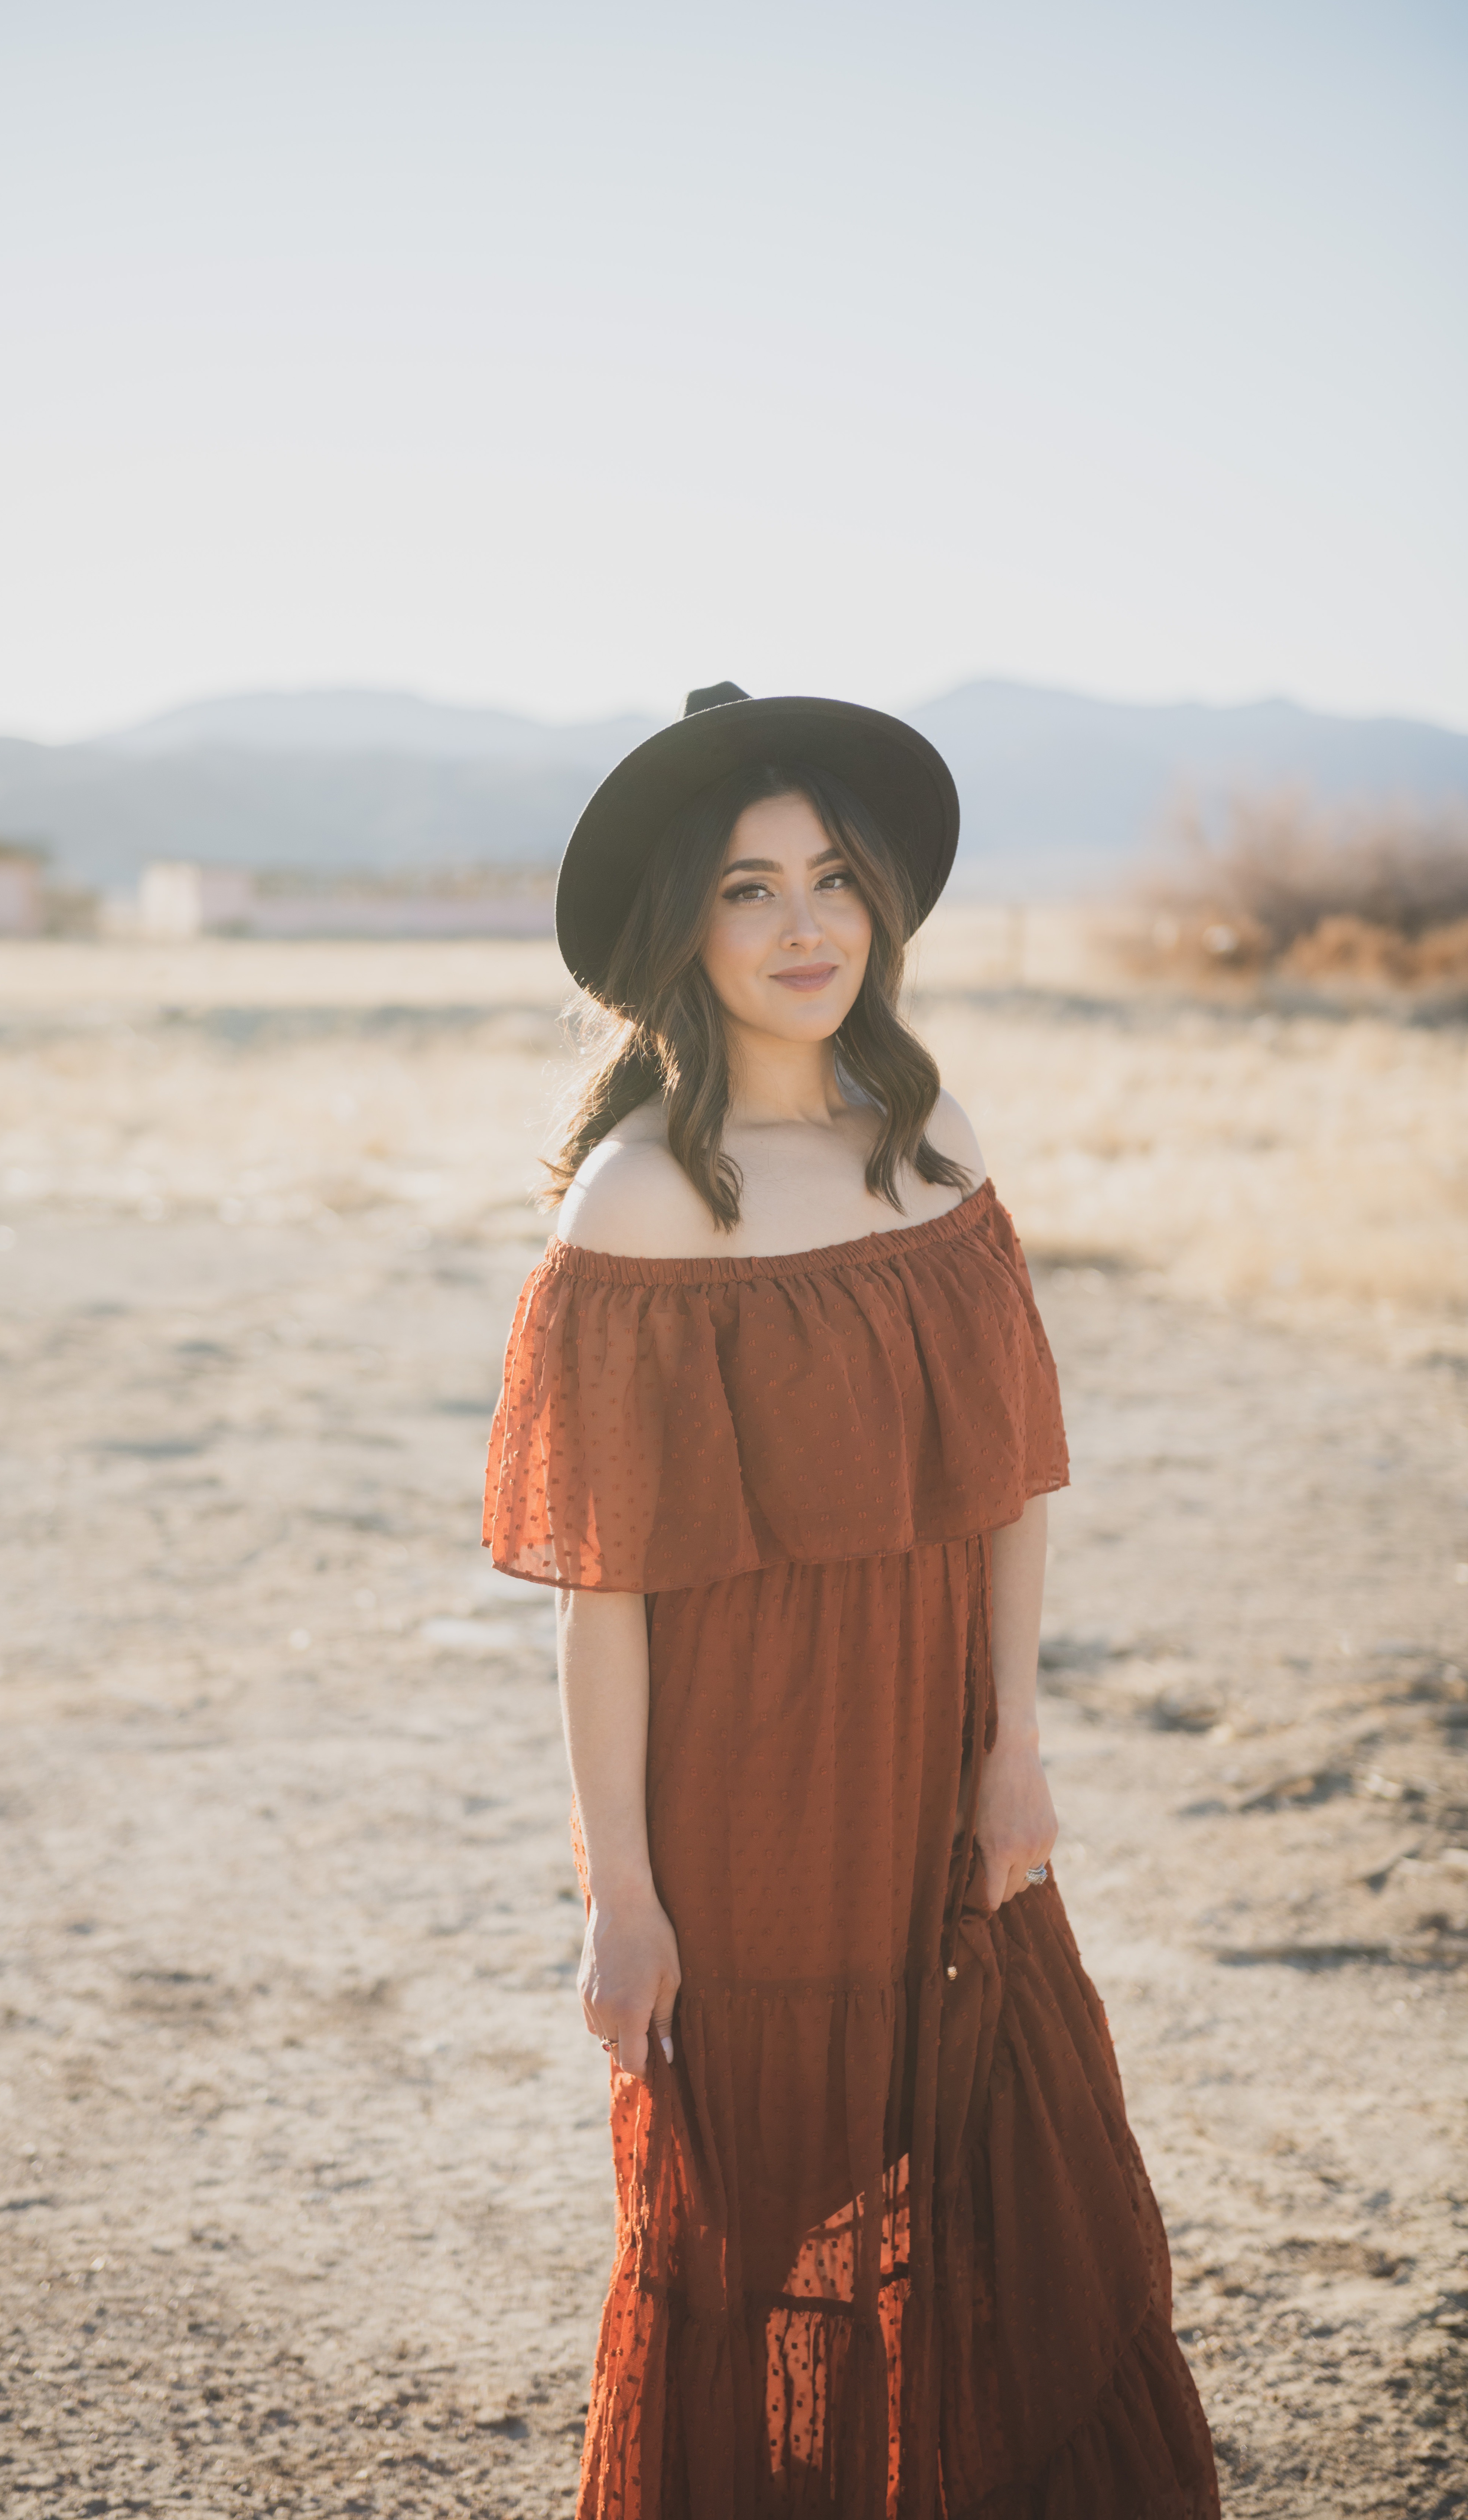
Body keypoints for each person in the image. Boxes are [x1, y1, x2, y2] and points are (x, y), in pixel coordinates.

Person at [483, 684, 1220, 2519]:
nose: (804, 926)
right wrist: (624, 1896)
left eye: (830, 879)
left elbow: (1007, 1483)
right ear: (685, 924)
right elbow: (606, 1592)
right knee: (754, 2239)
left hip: (939, 1762)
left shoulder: (932, 1132)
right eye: (749, 889)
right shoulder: (638, 1201)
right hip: (745, 1799)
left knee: (1008, 2178)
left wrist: (1014, 1749)